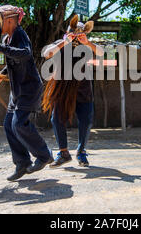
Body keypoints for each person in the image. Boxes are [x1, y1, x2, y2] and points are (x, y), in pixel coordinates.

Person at [0, 4, 53, 181]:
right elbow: (13, 61)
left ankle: (45, 155)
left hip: (29, 89)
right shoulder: (7, 39)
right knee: (8, 125)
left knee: (19, 124)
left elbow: (25, 54)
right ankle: (22, 163)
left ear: (10, 21)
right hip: (17, 91)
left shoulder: (20, 34)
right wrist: (1, 74)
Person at [42, 15, 104, 168]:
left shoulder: (86, 46)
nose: (76, 36)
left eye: (80, 33)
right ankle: (64, 153)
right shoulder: (60, 43)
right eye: (74, 32)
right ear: (68, 31)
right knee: (56, 119)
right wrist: (65, 42)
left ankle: (81, 151)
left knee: (86, 120)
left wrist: (87, 42)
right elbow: (46, 54)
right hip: (62, 90)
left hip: (83, 90)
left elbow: (102, 52)